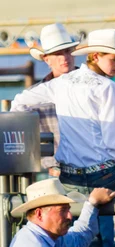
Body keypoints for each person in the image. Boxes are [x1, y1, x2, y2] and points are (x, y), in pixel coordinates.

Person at [11, 29, 115, 247]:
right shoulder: (108, 88)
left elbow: (19, 101)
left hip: (70, 177)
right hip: (103, 174)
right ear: (97, 56)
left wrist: (26, 133)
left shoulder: (61, 84)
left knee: (85, 240)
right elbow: (113, 143)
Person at [11, 23, 79, 175]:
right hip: (58, 170)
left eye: (67, 51)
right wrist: (51, 165)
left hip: (94, 166)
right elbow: (24, 134)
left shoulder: (94, 86)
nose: (64, 58)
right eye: (58, 53)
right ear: (47, 59)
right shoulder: (34, 97)